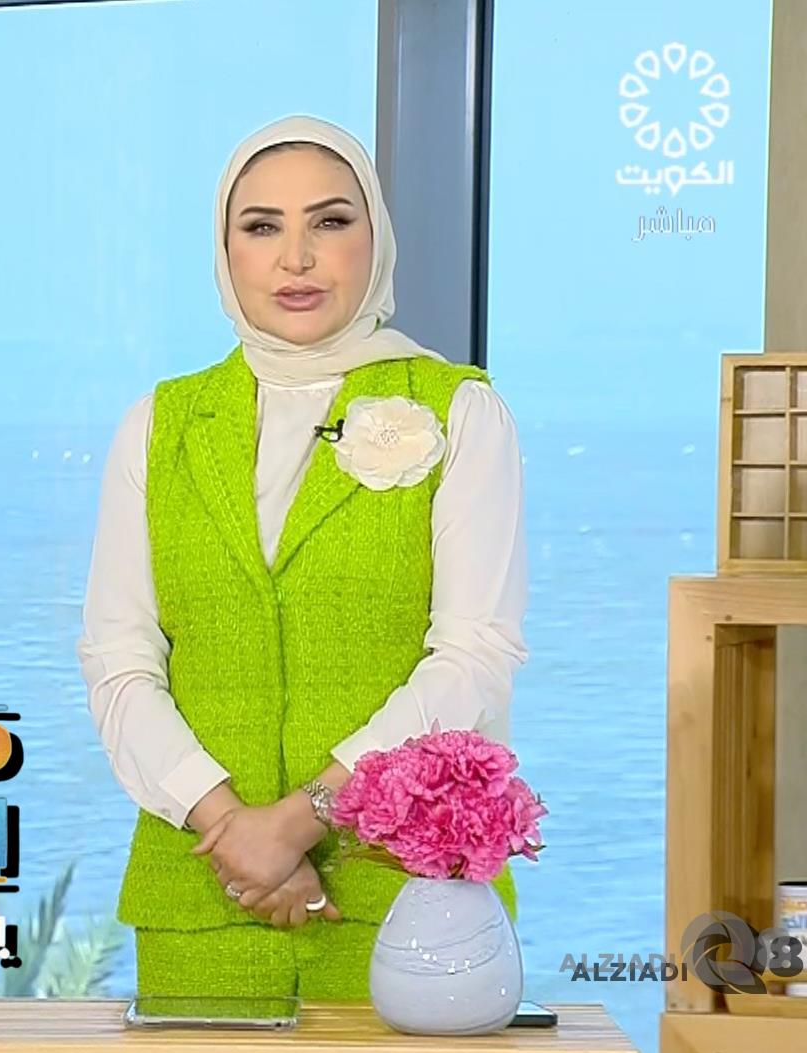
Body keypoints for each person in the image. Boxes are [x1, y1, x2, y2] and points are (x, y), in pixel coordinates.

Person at [77, 115, 527, 1000]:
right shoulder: (160, 426)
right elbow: (118, 659)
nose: (297, 258)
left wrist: (300, 820)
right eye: (262, 226)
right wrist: (232, 829)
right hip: (202, 904)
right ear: (226, 250)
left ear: (375, 239)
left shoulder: (461, 413)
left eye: (329, 221)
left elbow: (475, 657)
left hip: (410, 908)